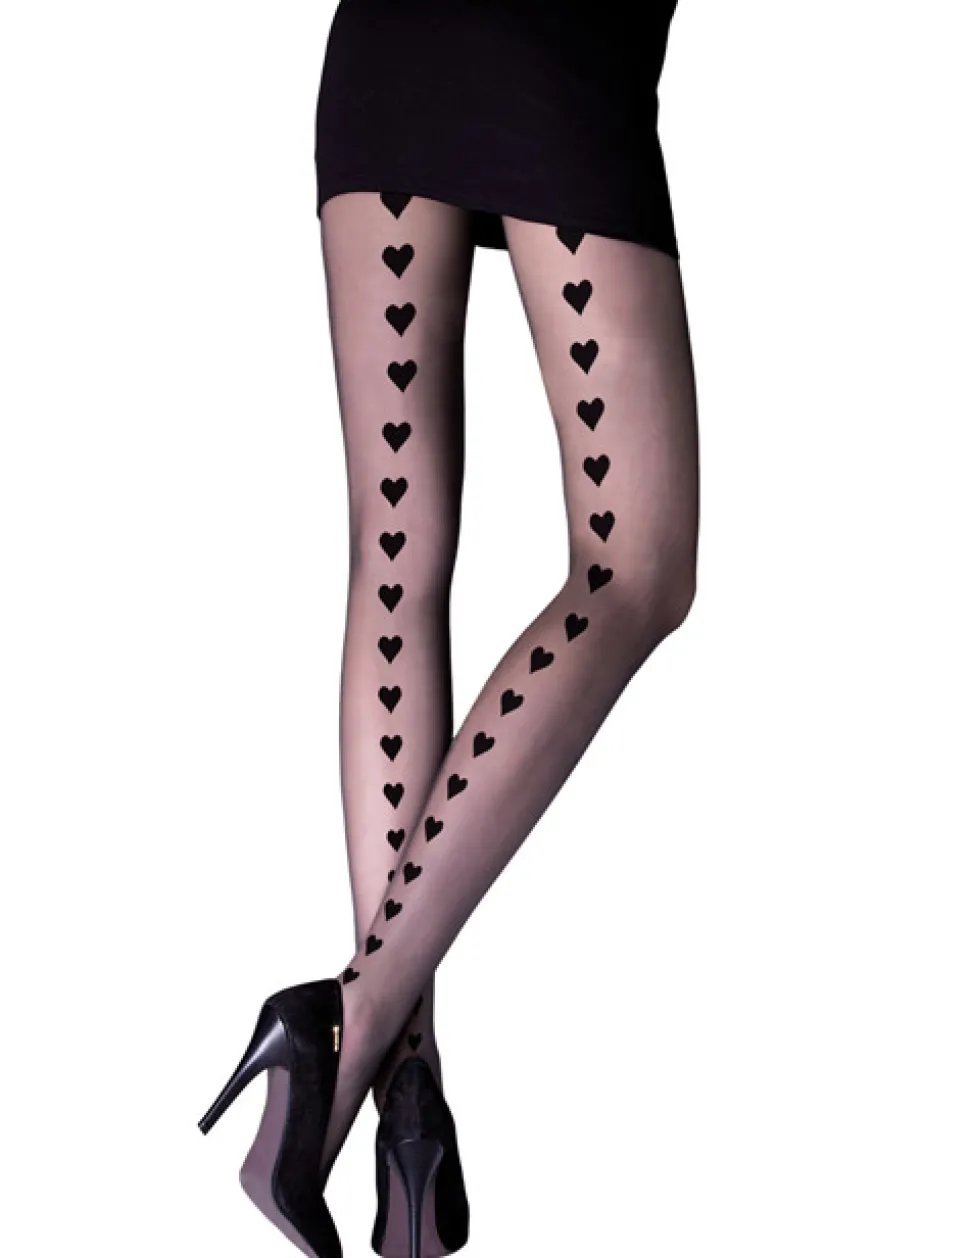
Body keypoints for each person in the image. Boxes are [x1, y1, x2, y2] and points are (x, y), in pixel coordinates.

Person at [199, 3, 699, 1256]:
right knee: (633, 564)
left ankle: (408, 1119)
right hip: (550, 49)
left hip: (383, 52)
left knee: (394, 561)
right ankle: (350, 1025)